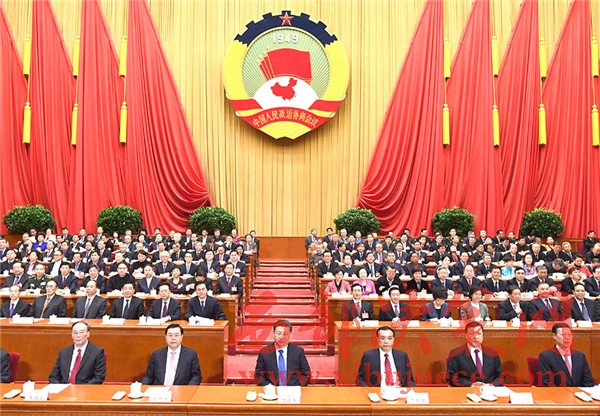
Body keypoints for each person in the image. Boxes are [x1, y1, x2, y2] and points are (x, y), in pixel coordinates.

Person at [254, 319, 311, 386]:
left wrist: (294, 387)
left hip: (293, 390)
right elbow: (258, 376)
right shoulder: (264, 353)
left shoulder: (298, 352)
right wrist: (269, 387)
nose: (281, 337)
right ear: (273, 334)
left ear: (290, 335)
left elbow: (306, 375)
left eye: (285, 334)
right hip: (272, 390)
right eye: (278, 333)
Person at [446, 321, 503, 387]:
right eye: (472, 333)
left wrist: (491, 385)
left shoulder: (492, 353)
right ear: (466, 335)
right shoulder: (456, 354)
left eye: (479, 333)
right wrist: (470, 385)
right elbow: (451, 378)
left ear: (483, 335)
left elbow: (500, 377)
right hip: (466, 390)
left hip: (489, 391)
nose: (476, 337)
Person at [538, 323, 594, 387]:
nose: (567, 338)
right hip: (558, 392)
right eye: (563, 335)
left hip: (580, 392)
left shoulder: (580, 356)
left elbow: (588, 381)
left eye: (569, 335)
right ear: (554, 336)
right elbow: (546, 382)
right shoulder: (546, 356)